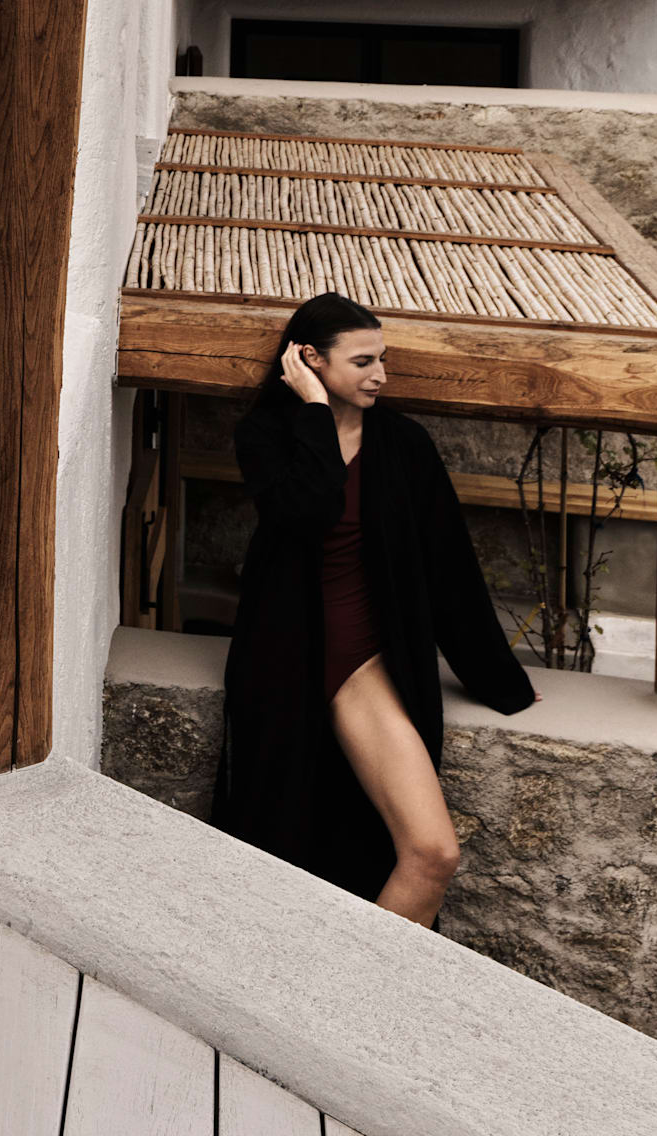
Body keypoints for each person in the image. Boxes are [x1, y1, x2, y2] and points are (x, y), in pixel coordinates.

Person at [211, 291, 536, 924]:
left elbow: (449, 566)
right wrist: (313, 410)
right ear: (310, 359)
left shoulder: (404, 444)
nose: (380, 375)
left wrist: (497, 677)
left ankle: (356, 984)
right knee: (281, 860)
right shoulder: (266, 435)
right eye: (362, 362)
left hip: (370, 657)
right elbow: (306, 512)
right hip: (291, 660)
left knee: (431, 852)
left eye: (382, 359)